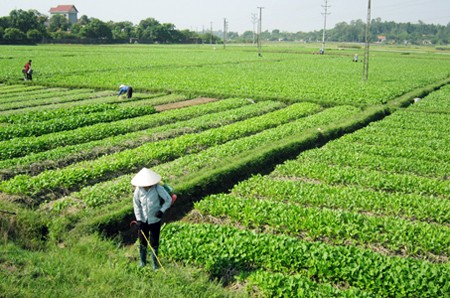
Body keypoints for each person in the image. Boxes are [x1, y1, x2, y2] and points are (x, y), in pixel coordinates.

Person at [132, 167, 172, 269]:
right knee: (142, 241)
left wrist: (161, 211)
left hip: (155, 219)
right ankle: (143, 262)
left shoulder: (157, 188)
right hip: (143, 221)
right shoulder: (138, 189)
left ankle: (155, 264)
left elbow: (168, 199)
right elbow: (136, 205)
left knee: (154, 241)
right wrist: (139, 219)